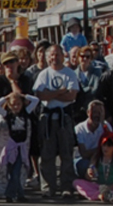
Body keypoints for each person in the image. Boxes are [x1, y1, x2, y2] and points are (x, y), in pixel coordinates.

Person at [32, 45, 82, 198]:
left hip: (64, 118)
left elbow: (71, 96)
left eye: (57, 54)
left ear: (63, 56)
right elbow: (40, 95)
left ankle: (67, 186)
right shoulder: (43, 74)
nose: (54, 58)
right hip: (47, 118)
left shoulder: (70, 74)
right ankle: (48, 187)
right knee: (47, 154)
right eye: (51, 55)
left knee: (66, 153)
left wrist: (51, 94)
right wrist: (60, 91)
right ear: (47, 57)